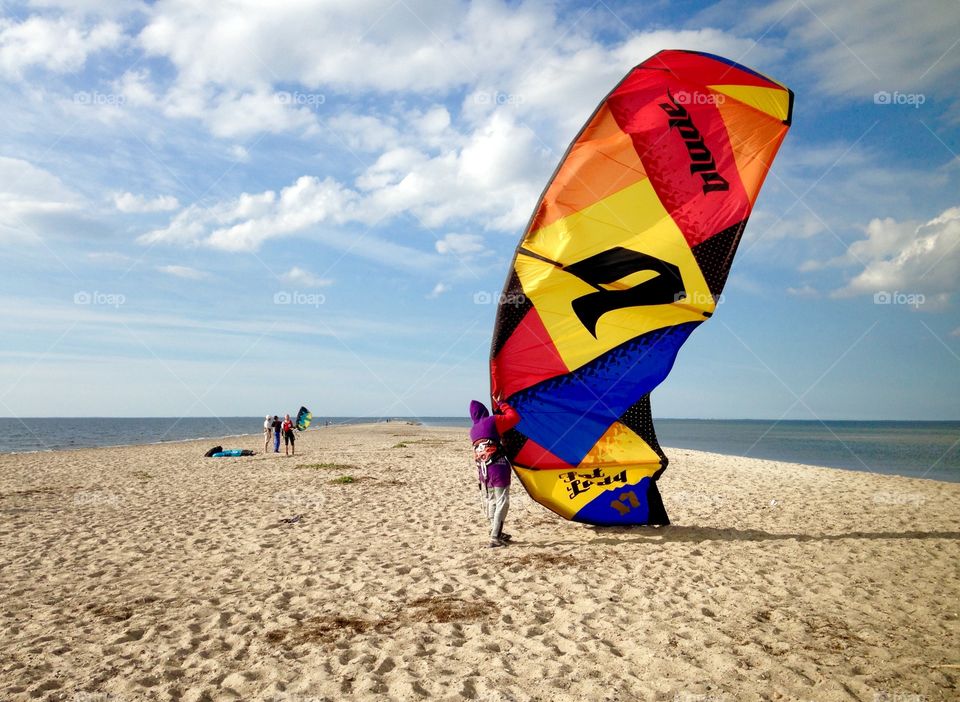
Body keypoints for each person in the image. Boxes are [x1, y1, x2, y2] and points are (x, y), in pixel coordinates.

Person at [469, 398, 520, 548]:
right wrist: (502, 404)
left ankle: (494, 529)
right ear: (484, 411)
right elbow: (514, 418)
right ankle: (495, 537)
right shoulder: (491, 421)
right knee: (502, 501)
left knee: (491, 500)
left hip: (483, 472)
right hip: (498, 468)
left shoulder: (473, 430)